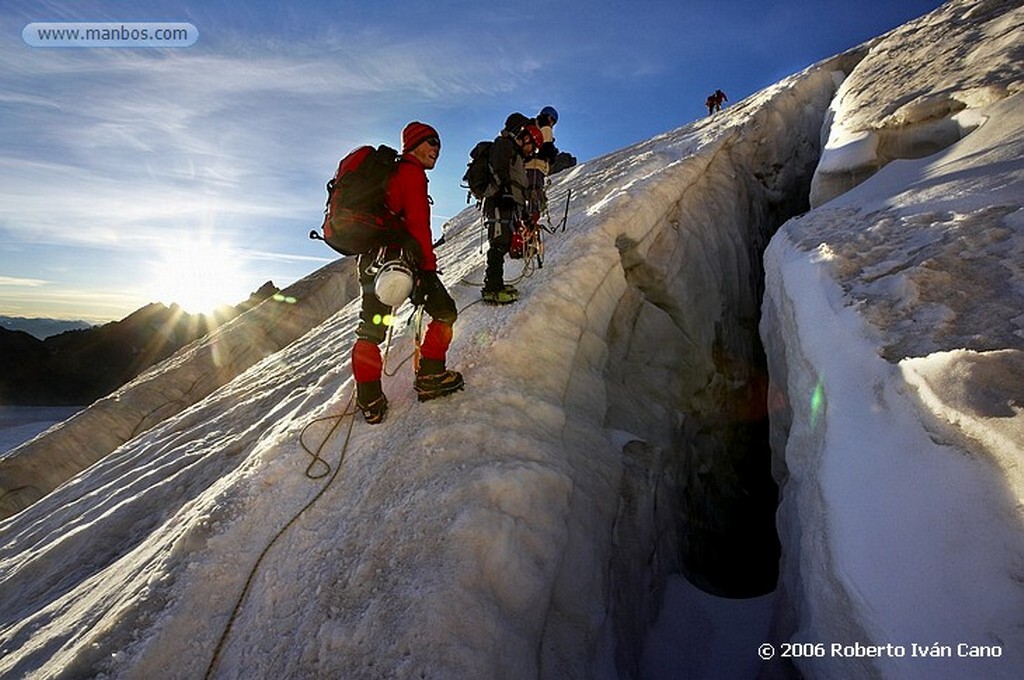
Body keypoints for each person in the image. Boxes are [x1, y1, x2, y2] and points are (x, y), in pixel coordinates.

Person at [350, 121, 463, 424]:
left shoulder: (393, 172)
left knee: (371, 328)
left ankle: (370, 399)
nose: (436, 150)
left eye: (438, 145)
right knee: (444, 312)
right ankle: (431, 376)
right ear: (413, 143)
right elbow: (418, 226)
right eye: (431, 142)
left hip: (372, 261)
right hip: (401, 263)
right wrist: (427, 270)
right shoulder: (412, 173)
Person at [480, 114, 543, 304]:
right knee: (499, 244)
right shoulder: (504, 144)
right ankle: (492, 288)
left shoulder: (515, 155)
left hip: (508, 203)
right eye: (532, 145)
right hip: (499, 202)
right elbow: (498, 168)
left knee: (504, 243)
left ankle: (495, 283)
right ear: (524, 137)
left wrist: (524, 213)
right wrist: (506, 192)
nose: (532, 151)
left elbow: (518, 186)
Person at [524, 106, 560, 223]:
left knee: (528, 197)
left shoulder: (530, 126)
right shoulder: (545, 127)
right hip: (535, 167)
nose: (552, 124)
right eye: (553, 121)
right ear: (549, 117)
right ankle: (531, 226)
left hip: (525, 168)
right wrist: (552, 155)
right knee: (535, 198)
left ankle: (523, 227)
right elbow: (546, 148)